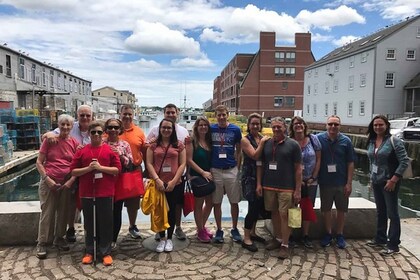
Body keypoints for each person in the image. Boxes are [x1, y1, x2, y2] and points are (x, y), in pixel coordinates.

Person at [71, 121, 121, 266]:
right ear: (89, 134)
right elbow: (73, 170)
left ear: (103, 133)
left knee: (106, 222)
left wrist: (100, 167)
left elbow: (117, 170)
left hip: (105, 192)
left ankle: (105, 251)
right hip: (87, 192)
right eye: (93, 132)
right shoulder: (81, 151)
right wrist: (88, 169)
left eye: (99, 132)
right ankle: (89, 250)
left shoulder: (110, 150)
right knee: (89, 223)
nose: (97, 135)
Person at [42, 104, 93, 243]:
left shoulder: (94, 129)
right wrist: (50, 134)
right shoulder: (70, 125)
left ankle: (89, 231)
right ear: (77, 116)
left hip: (88, 173)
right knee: (71, 203)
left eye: (88, 115)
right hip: (70, 173)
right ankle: (70, 229)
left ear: (92, 116)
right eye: (82, 115)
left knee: (85, 202)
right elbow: (51, 134)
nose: (85, 118)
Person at [257, 117, 302, 259]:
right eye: (274, 127)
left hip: (286, 187)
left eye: (279, 127)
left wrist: (298, 189)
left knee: (285, 215)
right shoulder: (267, 144)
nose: (276, 129)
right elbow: (261, 165)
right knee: (274, 213)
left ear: (285, 127)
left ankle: (285, 245)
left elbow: (298, 169)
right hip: (269, 185)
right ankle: (277, 239)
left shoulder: (293, 145)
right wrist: (259, 184)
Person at [35, 114, 79, 259]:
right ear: (58, 125)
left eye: (68, 125)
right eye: (62, 124)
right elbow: (39, 162)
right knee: (47, 212)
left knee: (63, 212)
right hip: (49, 181)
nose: (65, 127)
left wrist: (71, 181)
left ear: (72, 127)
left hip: (66, 182)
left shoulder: (74, 143)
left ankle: (59, 237)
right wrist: (46, 178)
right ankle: (42, 242)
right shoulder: (50, 140)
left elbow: (77, 165)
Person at [366, 115, 409, 255]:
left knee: (392, 213)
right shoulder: (371, 141)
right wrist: (371, 179)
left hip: (389, 181)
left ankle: (393, 244)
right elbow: (372, 162)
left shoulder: (394, 141)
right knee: (381, 211)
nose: (378, 127)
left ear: (386, 126)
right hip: (376, 180)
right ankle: (380, 238)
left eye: (380, 125)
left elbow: (404, 161)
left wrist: (393, 180)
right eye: (375, 125)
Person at [147, 104, 189, 241]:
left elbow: (184, 161)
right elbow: (148, 161)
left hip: (175, 180)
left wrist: (175, 180)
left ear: (177, 113)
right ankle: (160, 232)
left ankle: (174, 231)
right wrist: (156, 179)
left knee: (174, 206)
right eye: (163, 128)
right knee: (158, 208)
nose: (166, 129)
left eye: (173, 112)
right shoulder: (153, 140)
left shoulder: (182, 136)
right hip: (158, 179)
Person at [317, 115, 354, 249]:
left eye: (336, 124)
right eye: (330, 124)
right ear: (326, 125)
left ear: (340, 126)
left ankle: (339, 234)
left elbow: (350, 163)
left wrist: (349, 183)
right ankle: (328, 233)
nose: (333, 127)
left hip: (341, 182)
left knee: (341, 209)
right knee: (326, 209)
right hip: (325, 182)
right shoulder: (318, 139)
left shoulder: (346, 141)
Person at [210, 105, 243, 243]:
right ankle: (219, 229)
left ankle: (234, 228)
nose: (222, 117)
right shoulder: (211, 129)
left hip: (231, 169)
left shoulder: (235, 129)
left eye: (224, 114)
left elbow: (239, 150)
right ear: (216, 116)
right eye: (219, 115)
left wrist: (238, 167)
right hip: (215, 169)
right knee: (216, 202)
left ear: (227, 114)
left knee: (234, 201)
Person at [288, 116, 321, 248]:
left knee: (307, 208)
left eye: (301, 123)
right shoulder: (289, 141)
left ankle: (305, 235)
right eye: (296, 123)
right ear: (292, 126)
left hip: (310, 181)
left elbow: (318, 159)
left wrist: (313, 176)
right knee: (293, 207)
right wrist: (297, 180)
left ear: (305, 125)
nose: (298, 125)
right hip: (294, 182)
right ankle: (291, 235)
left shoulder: (313, 140)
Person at [240, 113, 270, 252]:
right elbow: (255, 155)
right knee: (253, 207)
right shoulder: (245, 140)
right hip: (250, 177)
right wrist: (263, 143)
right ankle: (246, 238)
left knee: (258, 207)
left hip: (263, 176)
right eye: (253, 124)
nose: (255, 126)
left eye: (258, 124)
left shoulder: (261, 138)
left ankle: (253, 232)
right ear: (248, 125)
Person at [103, 118, 134, 250]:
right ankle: (103, 237)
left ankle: (113, 239)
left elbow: (131, 164)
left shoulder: (125, 145)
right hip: (103, 182)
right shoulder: (101, 143)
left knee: (117, 210)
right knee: (103, 211)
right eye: (110, 127)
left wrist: (120, 156)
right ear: (106, 130)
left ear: (120, 130)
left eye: (116, 127)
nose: (113, 130)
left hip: (119, 182)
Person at [118, 104, 147, 239]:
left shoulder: (139, 132)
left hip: (134, 170)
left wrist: (147, 170)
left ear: (133, 115)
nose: (127, 116)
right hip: (116, 172)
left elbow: (145, 152)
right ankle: (114, 227)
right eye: (125, 114)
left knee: (134, 202)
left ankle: (132, 225)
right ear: (120, 114)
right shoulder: (112, 130)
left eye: (130, 114)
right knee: (115, 202)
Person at [186, 116, 214, 243]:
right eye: (200, 125)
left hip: (209, 175)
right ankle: (200, 230)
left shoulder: (209, 141)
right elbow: (189, 160)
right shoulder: (192, 141)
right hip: (198, 175)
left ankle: (201, 227)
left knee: (210, 202)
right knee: (199, 204)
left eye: (205, 125)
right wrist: (202, 172)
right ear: (196, 127)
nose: (203, 127)